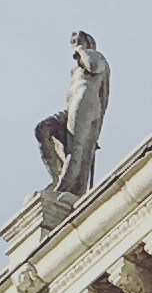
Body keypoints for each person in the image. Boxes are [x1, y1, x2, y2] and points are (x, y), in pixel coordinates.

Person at [36, 30, 112, 200]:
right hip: (72, 104)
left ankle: (67, 188)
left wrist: (81, 50)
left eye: (79, 39)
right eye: (73, 40)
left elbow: (94, 67)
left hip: (86, 99)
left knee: (75, 147)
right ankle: (58, 178)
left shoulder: (94, 56)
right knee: (43, 130)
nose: (74, 41)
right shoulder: (76, 68)